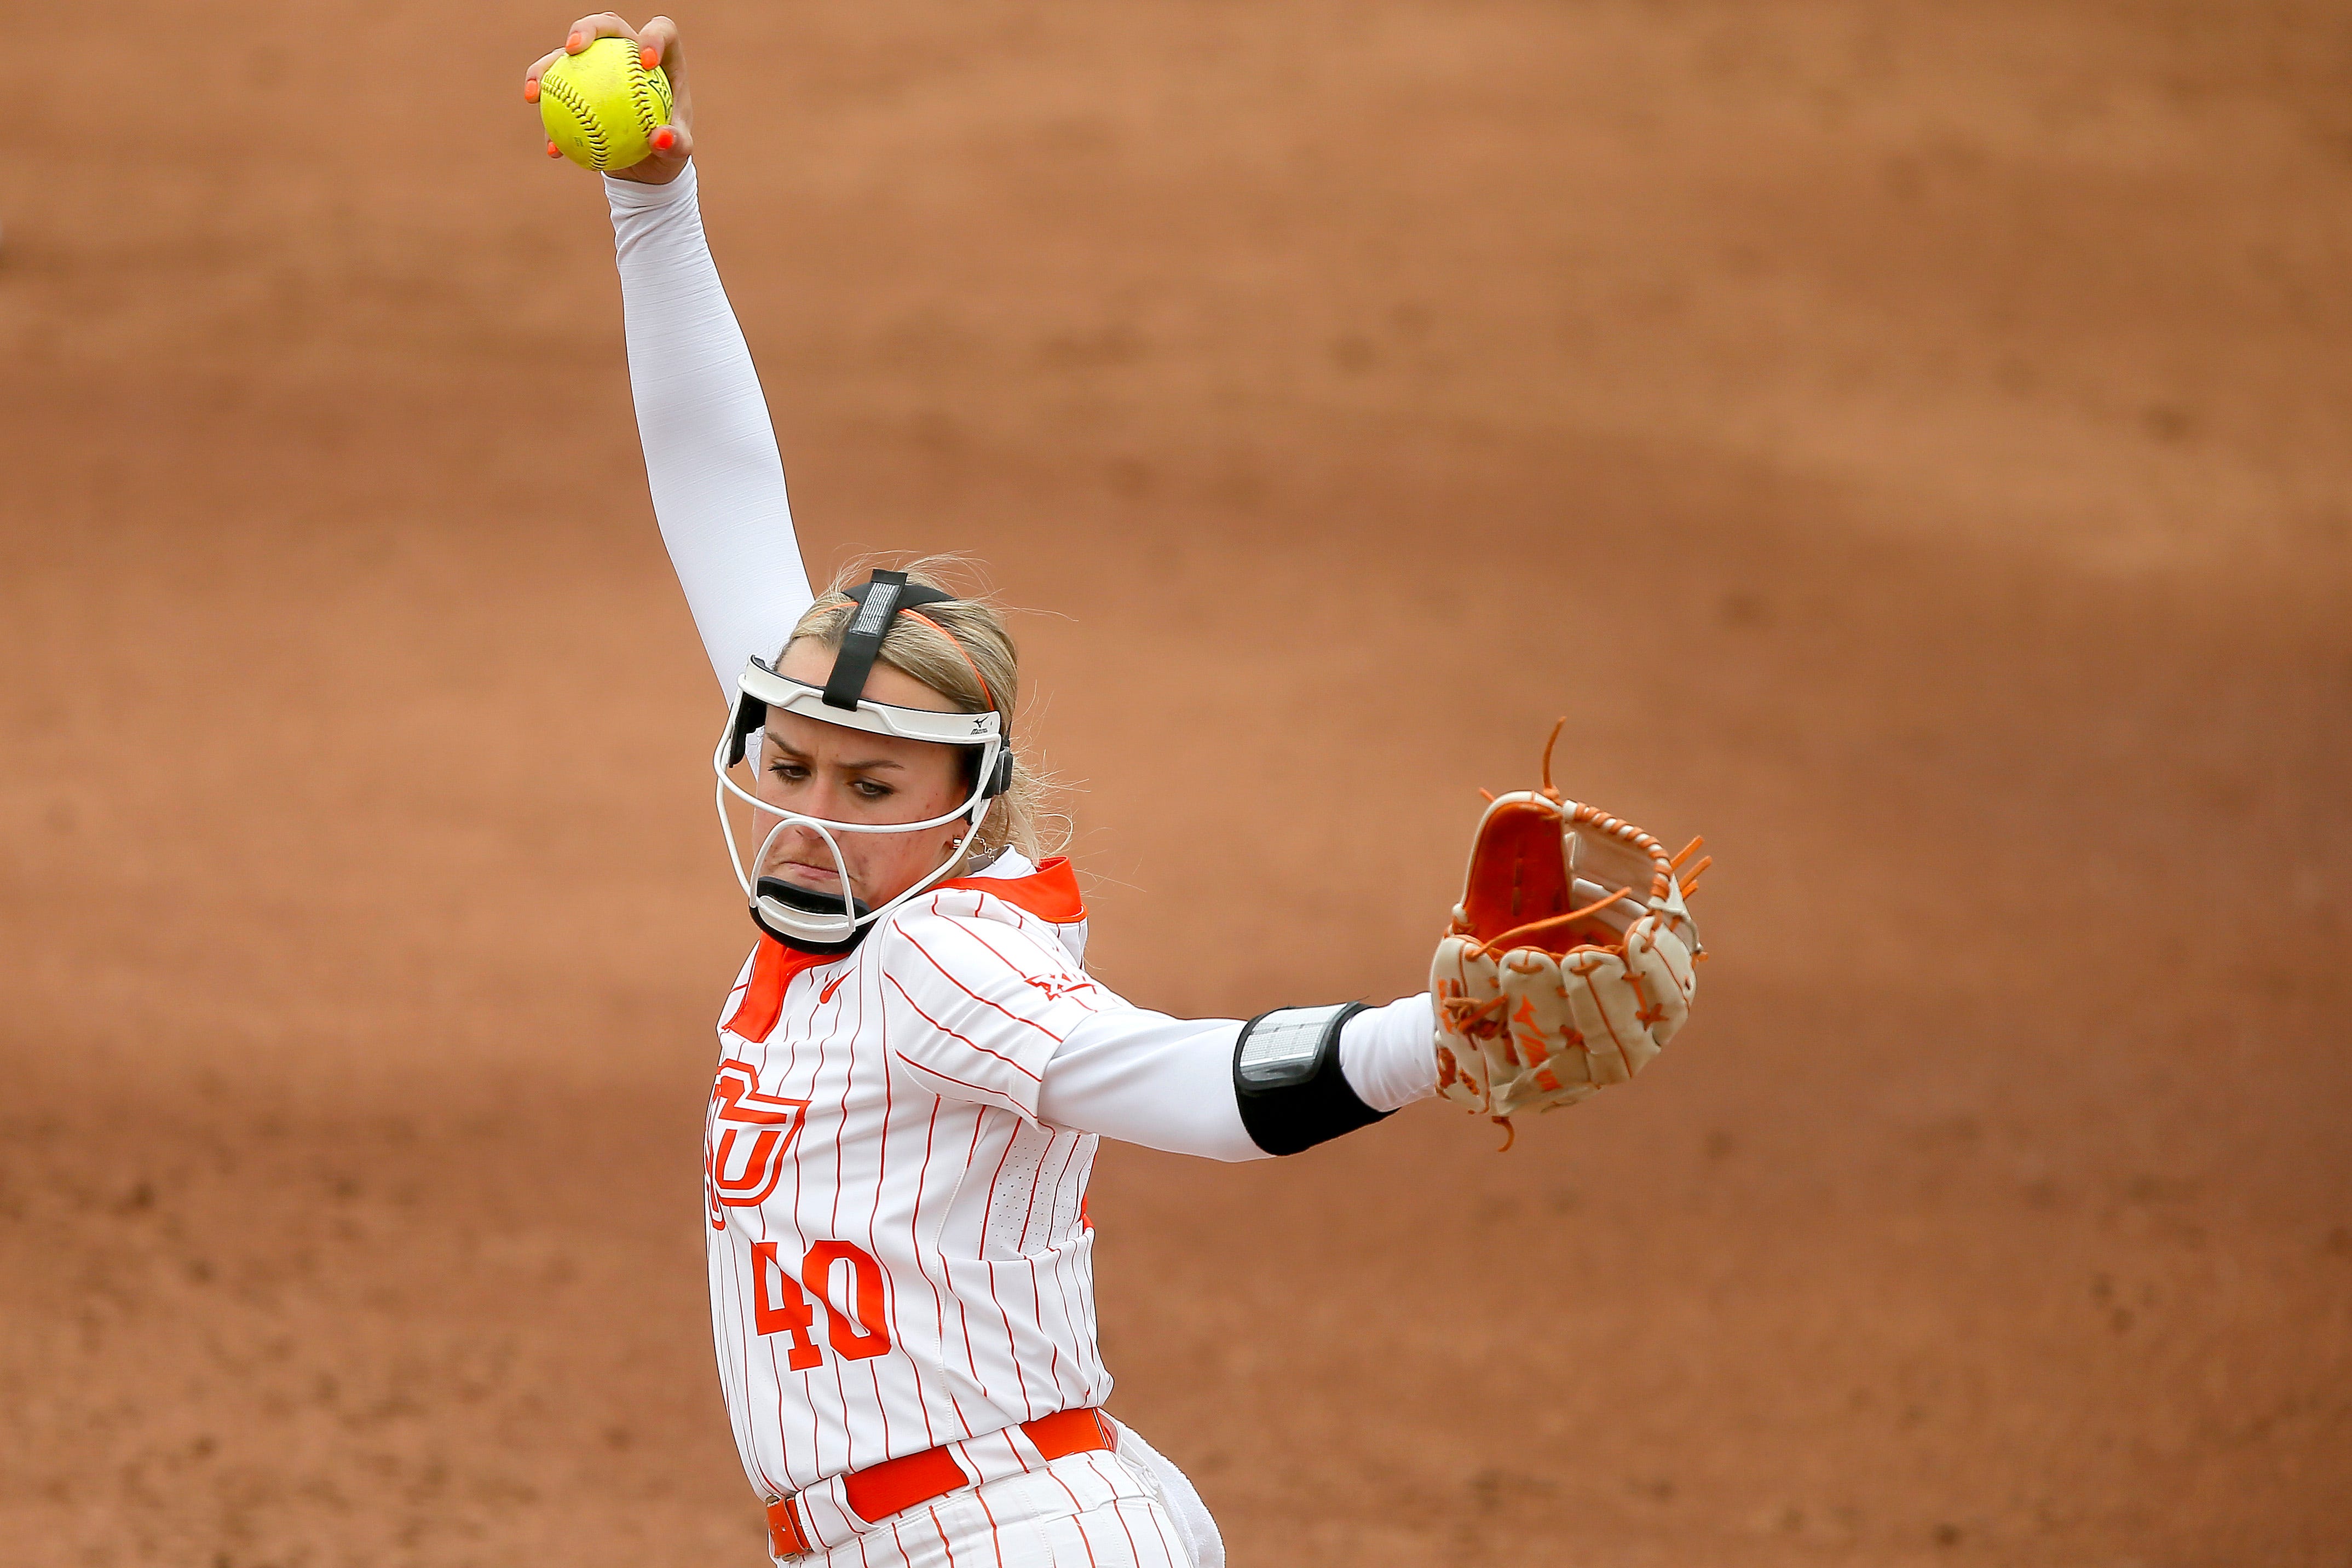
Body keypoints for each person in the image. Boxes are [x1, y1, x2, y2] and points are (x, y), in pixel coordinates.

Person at [522, 16, 1693, 1565]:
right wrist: (653, 204)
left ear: (963, 803)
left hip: (1014, 1534)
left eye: (871, 783)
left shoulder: (941, 951)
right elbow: (712, 479)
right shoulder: (848, 902)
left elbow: (1181, 1083)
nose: (812, 810)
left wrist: (1437, 1037)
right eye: (790, 764)